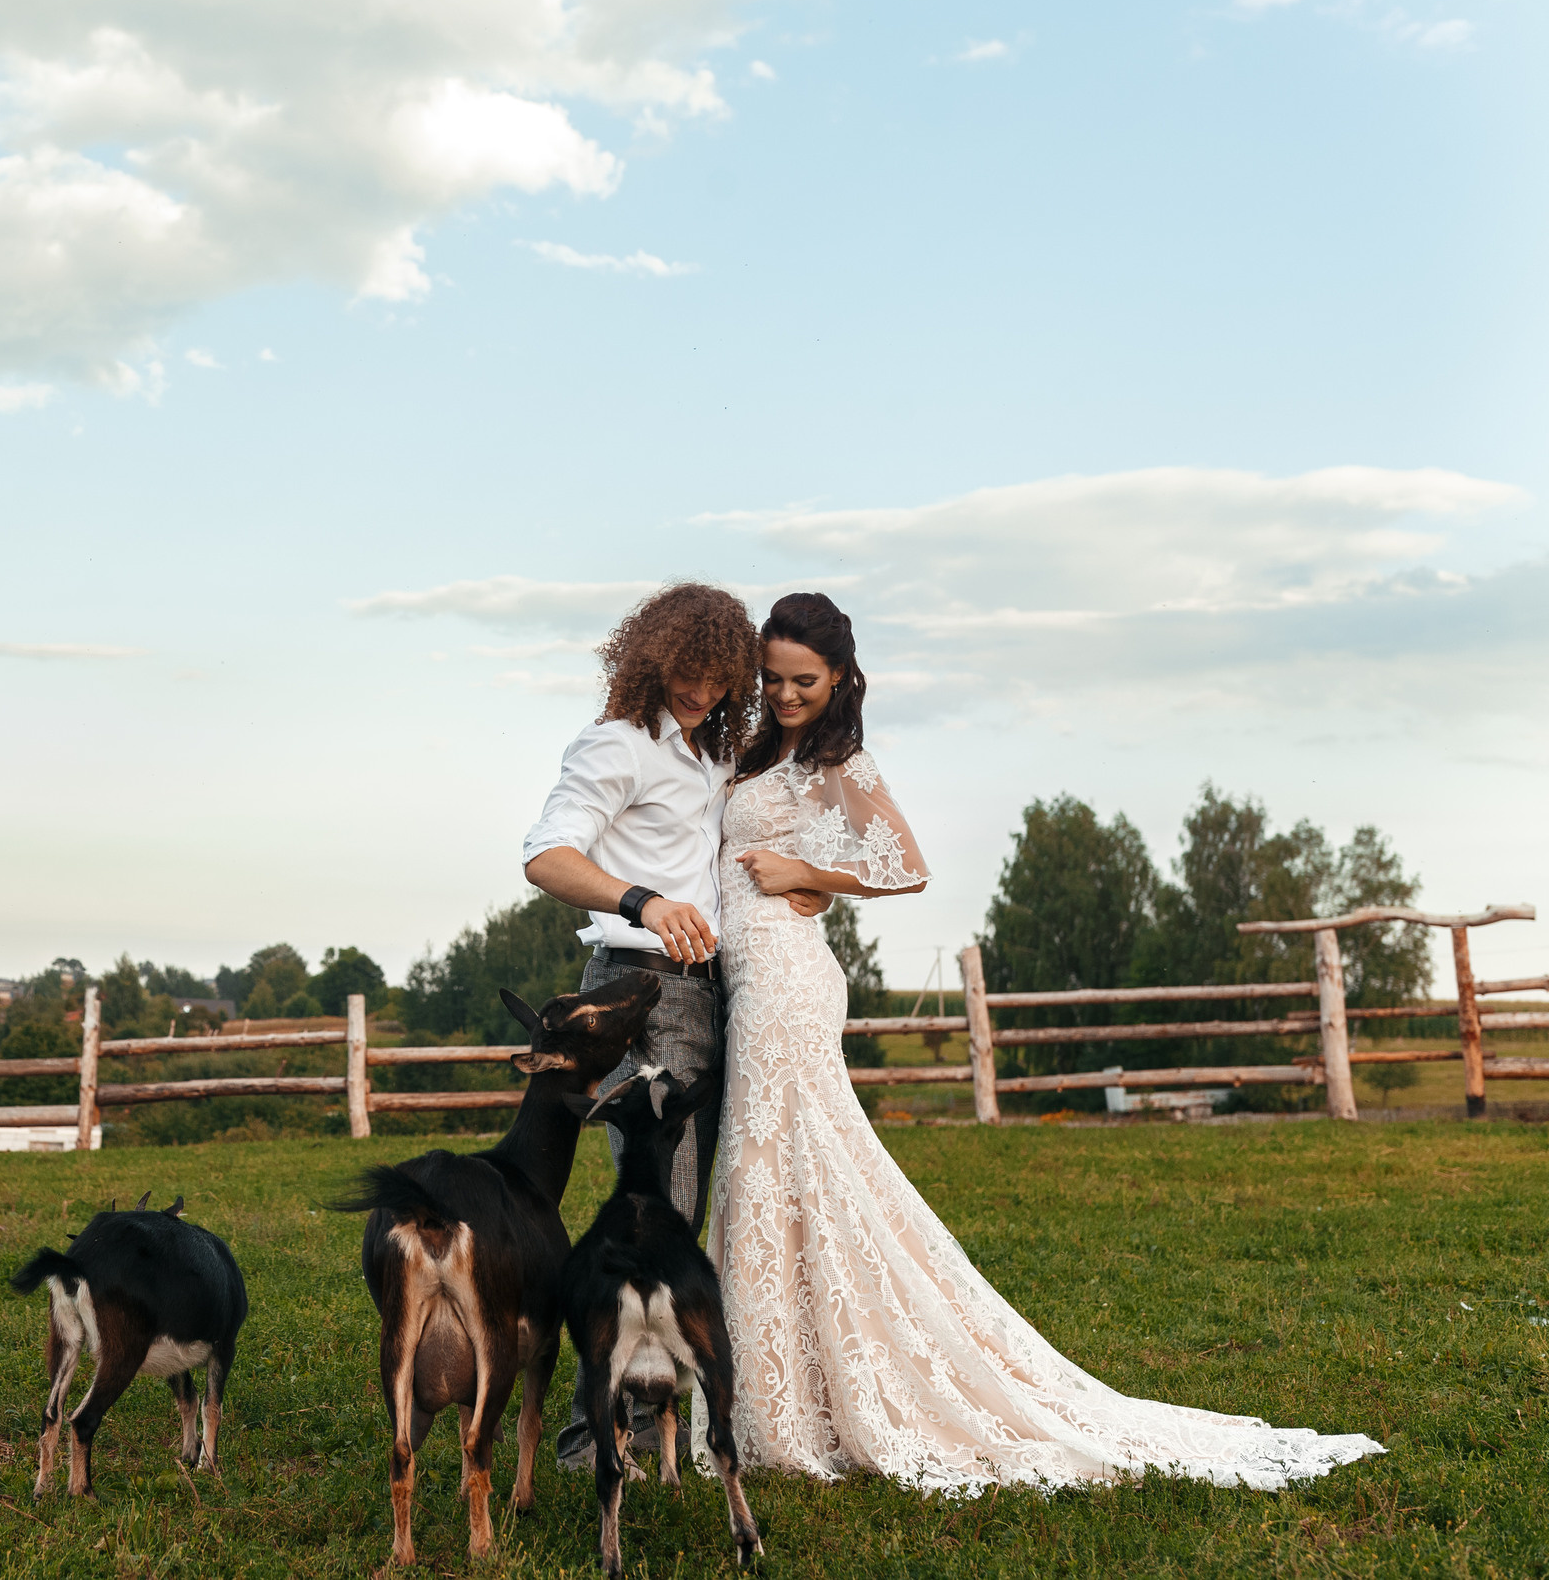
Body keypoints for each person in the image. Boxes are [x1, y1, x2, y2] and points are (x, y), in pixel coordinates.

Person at [710, 591, 1383, 1491]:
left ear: (840, 678)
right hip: (745, 974)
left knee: (784, 1165)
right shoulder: (763, 752)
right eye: (774, 678)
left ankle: (809, 1407)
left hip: (787, 982)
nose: (787, 694)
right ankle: (781, 1389)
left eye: (805, 680)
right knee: (766, 1173)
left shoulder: (841, 759)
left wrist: (807, 873)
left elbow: (905, 864)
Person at [517, 582, 828, 1472]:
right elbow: (545, 853)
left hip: (711, 991)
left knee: (697, 1212)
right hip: (640, 988)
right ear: (650, 660)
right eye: (686, 675)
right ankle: (590, 1434)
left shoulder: (706, 755)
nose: (700, 692)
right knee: (657, 1216)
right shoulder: (617, 746)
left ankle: (670, 1421)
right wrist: (642, 902)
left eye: (719, 679)